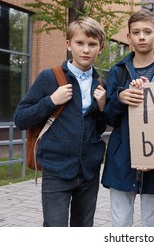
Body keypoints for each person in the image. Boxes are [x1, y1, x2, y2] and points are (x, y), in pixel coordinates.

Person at [14, 17, 107, 227]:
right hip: (57, 171)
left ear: (100, 48)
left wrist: (102, 108)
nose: (86, 50)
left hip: (89, 172)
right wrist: (51, 101)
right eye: (80, 43)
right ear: (68, 45)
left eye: (92, 45)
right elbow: (20, 118)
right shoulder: (50, 77)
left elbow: (98, 128)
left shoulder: (100, 83)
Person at [101, 9, 154, 227]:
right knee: (120, 223)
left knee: (152, 223)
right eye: (136, 32)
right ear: (128, 37)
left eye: (147, 32)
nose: (142, 37)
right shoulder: (118, 71)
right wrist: (120, 98)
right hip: (121, 158)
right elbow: (109, 118)